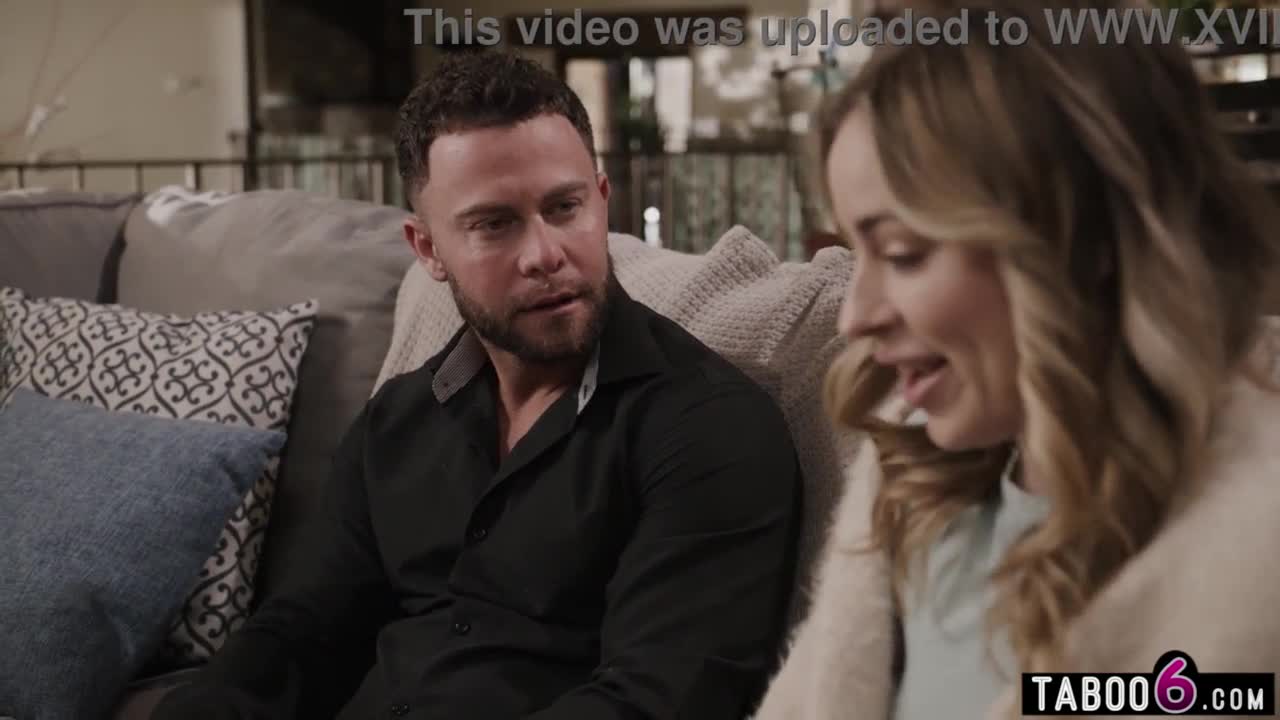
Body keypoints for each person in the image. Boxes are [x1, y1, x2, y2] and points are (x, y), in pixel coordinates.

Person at [152, 49, 803, 720]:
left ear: (603, 201)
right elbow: (299, 635)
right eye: (494, 224)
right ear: (428, 250)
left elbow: (656, 700)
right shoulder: (397, 421)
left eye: (565, 207)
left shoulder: (709, 428)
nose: (545, 254)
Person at [751, 1, 1280, 718]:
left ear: (1081, 243)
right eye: (855, 249)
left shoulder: (1253, 562)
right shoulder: (908, 489)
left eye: (903, 253)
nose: (856, 316)